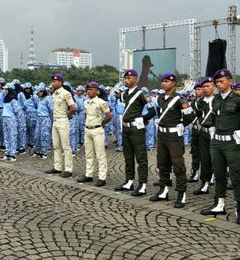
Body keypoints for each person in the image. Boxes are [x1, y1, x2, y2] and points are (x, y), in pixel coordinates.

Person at [200, 69, 240, 226]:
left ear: (230, 81)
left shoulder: (239, 100)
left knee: (236, 176)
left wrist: (237, 127)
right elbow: (214, 118)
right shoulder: (216, 100)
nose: (218, 84)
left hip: (232, 143)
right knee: (219, 175)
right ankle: (219, 204)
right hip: (217, 142)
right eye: (217, 82)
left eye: (221, 81)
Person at [150, 72, 195, 208]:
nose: (164, 83)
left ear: (174, 83)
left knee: (178, 165)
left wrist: (181, 125)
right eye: (163, 81)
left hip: (174, 137)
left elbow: (190, 116)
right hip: (162, 135)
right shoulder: (160, 98)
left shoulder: (180, 99)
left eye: (167, 81)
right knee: (162, 163)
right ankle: (163, 190)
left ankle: (181, 193)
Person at [114, 69, 156, 197]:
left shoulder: (142, 94)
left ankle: (142, 184)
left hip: (136, 129)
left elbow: (152, 111)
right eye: (125, 78)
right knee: (128, 156)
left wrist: (143, 119)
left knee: (141, 157)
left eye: (129, 78)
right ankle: (129, 181)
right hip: (126, 128)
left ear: (135, 79)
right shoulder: (125, 94)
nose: (126, 80)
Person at [76, 81, 112, 186]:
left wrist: (101, 123)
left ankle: (102, 177)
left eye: (91, 89)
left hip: (97, 130)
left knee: (100, 154)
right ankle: (89, 175)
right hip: (87, 130)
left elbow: (109, 116)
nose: (88, 91)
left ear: (97, 91)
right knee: (89, 154)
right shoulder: (85, 103)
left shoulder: (102, 102)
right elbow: (87, 116)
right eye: (87, 89)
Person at [45, 73, 76, 178]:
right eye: (52, 81)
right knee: (56, 146)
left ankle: (68, 169)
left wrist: (67, 116)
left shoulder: (65, 93)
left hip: (63, 121)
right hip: (55, 121)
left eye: (54, 81)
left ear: (60, 82)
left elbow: (73, 107)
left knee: (66, 146)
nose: (52, 83)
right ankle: (57, 167)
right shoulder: (54, 94)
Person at [193, 77, 216, 195]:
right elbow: (198, 115)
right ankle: (205, 183)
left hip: (215, 132)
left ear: (214, 87)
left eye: (209, 86)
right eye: (204, 86)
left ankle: (217, 179)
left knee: (217, 159)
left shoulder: (218, 100)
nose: (206, 88)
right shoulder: (198, 102)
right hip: (203, 132)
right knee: (204, 158)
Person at [188, 82, 204, 183]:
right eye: (196, 89)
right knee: (195, 152)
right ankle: (195, 172)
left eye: (199, 89)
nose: (197, 91)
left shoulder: (206, 102)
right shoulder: (193, 102)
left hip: (203, 130)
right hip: (194, 129)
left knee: (206, 154)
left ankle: (209, 174)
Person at [1, 82, 20, 161]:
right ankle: (7, 152)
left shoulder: (13, 99)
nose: (5, 91)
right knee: (6, 136)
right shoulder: (5, 99)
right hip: (5, 118)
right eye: (4, 89)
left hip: (11, 118)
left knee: (12, 136)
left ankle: (12, 154)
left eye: (6, 89)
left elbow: (16, 110)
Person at [34, 86, 53, 158]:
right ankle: (38, 150)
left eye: (38, 93)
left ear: (42, 92)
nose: (37, 95)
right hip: (39, 118)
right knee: (37, 135)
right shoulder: (39, 99)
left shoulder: (48, 99)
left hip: (45, 118)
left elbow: (51, 109)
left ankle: (43, 151)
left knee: (44, 135)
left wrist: (49, 118)